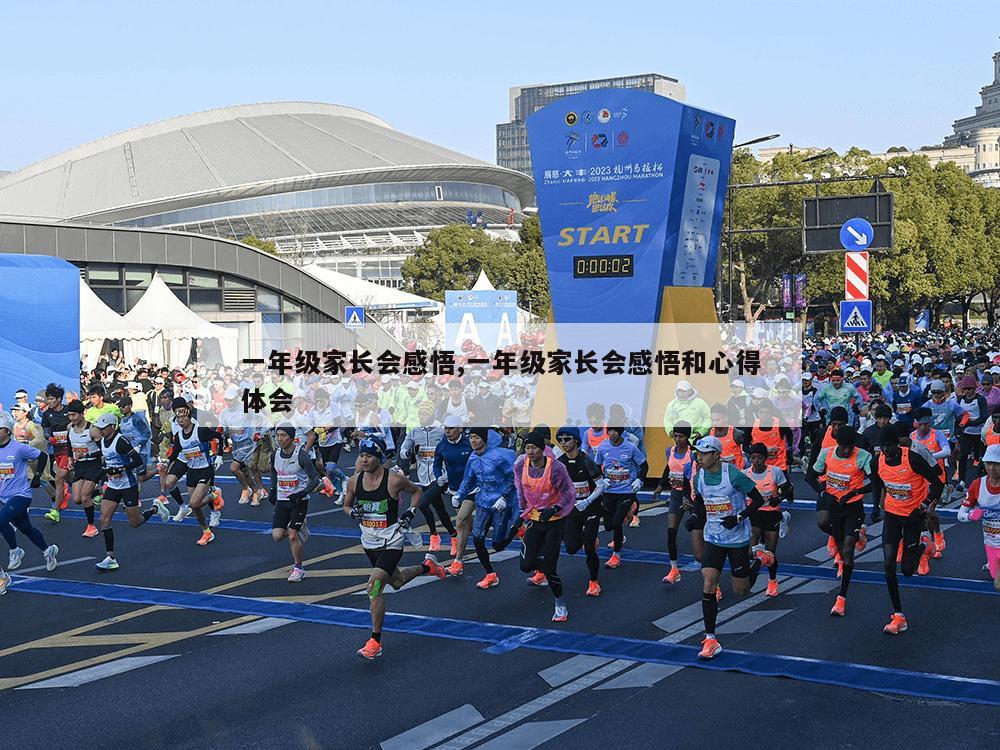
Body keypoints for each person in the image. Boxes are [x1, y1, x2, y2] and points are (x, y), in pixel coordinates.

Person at [343, 437, 445, 659]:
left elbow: (417, 491)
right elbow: (346, 504)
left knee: (374, 586)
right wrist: (352, 513)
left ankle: (375, 642)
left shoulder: (394, 480)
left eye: (369, 455)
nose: (364, 459)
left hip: (392, 540)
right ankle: (428, 567)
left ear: (379, 457)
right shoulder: (353, 481)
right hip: (369, 541)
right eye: (362, 455)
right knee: (397, 582)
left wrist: (410, 512)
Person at [690, 436, 770, 659]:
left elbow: (758, 500)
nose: (700, 457)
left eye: (705, 453)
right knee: (708, 582)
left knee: (740, 591)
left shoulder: (732, 474)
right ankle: (711, 639)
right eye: (699, 453)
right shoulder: (699, 477)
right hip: (713, 536)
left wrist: (739, 517)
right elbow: (700, 501)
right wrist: (696, 516)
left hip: (737, 538)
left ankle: (760, 560)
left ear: (716, 454)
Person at [873, 424, 944, 634]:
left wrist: (924, 507)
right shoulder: (879, 460)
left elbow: (938, 483)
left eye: (889, 446)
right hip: (893, 515)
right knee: (888, 563)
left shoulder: (912, 458)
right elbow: (879, 484)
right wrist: (877, 508)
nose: (885, 450)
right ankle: (898, 616)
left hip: (913, 516)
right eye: (882, 446)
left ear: (898, 443)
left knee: (907, 571)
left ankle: (924, 546)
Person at [92, 412, 170, 570]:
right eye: (99, 428)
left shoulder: (121, 441)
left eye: (104, 428)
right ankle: (110, 557)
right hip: (113, 486)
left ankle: (155, 509)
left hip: (128, 486)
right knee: (104, 519)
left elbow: (137, 461)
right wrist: (98, 479)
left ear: (112, 427)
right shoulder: (102, 442)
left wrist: (121, 468)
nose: (101, 431)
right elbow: (106, 463)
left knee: (135, 522)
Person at [513, 429, 576, 621]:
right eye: (527, 447)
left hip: (554, 522)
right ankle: (546, 567)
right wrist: (520, 513)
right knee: (526, 565)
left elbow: (569, 493)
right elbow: (520, 490)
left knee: (550, 568)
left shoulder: (556, 468)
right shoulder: (520, 466)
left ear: (542, 449)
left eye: (534, 448)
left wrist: (555, 508)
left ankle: (560, 603)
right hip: (533, 518)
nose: (530, 451)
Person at [811, 426, 872, 615]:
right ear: (837, 443)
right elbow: (813, 475)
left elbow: (876, 481)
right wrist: (823, 492)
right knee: (834, 536)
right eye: (844, 447)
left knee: (847, 551)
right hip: (834, 508)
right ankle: (857, 536)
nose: (847, 451)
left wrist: (856, 492)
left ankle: (841, 598)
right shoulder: (826, 454)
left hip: (853, 507)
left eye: (850, 447)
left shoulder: (863, 456)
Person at [452, 427, 517, 589]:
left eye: (477, 437)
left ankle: (517, 527)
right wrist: (459, 495)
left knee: (498, 544)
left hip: (501, 503)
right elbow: (468, 480)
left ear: (485, 439)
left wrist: (504, 497)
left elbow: (513, 476)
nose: (473, 441)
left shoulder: (499, 456)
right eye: (471, 437)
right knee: (478, 538)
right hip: (483, 502)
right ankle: (490, 574)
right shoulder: (473, 458)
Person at [0, 412, 59, 579]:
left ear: (7, 431)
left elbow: (42, 456)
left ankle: (15, 550)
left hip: (21, 495)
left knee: (1, 520)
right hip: (4, 497)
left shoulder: (18, 448)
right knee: (26, 528)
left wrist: (38, 476)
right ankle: (48, 551)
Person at [555, 425, 607, 596]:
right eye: (560, 440)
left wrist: (587, 501)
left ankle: (594, 582)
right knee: (570, 548)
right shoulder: (560, 463)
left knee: (590, 547)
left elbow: (600, 485)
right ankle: (585, 536)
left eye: (567, 439)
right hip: (572, 509)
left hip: (590, 508)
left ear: (576, 440)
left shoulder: (586, 461)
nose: (564, 443)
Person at [164, 398, 223, 544]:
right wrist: (167, 462)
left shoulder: (200, 430)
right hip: (191, 470)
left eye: (183, 417)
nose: (180, 420)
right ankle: (206, 532)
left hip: (205, 470)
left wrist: (219, 456)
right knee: (195, 507)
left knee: (195, 503)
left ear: (189, 417)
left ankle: (214, 495)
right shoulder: (178, 436)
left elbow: (219, 437)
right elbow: (176, 452)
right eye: (178, 418)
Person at [400, 402, 457, 552]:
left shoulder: (441, 430)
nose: (421, 417)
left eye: (424, 414)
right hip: (423, 475)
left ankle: (434, 534)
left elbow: (451, 445)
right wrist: (411, 451)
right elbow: (403, 451)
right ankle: (453, 535)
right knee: (439, 508)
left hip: (439, 475)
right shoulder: (414, 432)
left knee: (423, 504)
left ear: (431, 414)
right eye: (420, 414)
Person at [270, 424, 321, 581]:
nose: (280, 439)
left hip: (299, 500)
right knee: (277, 536)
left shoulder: (301, 455)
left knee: (292, 536)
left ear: (292, 438)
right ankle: (300, 527)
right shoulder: (275, 454)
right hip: (282, 499)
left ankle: (298, 568)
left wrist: (302, 493)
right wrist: (273, 490)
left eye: (284, 435)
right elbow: (273, 472)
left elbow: (315, 479)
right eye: (278, 435)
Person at [594, 425, 647, 568]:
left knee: (617, 523)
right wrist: (601, 480)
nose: (612, 434)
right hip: (609, 490)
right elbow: (596, 465)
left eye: (615, 431)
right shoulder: (603, 447)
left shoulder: (630, 447)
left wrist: (639, 480)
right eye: (609, 431)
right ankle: (627, 515)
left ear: (620, 432)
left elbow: (644, 465)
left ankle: (616, 556)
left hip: (626, 490)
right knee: (609, 525)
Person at [745, 441, 794, 596]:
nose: (756, 461)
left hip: (772, 513)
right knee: (750, 551)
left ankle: (772, 581)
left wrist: (778, 498)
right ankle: (756, 563)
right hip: (754, 513)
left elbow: (787, 489)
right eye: (753, 458)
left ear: (765, 458)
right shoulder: (745, 474)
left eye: (759, 457)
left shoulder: (775, 472)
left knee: (770, 554)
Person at [653, 423, 697, 584]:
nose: (677, 440)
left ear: (688, 437)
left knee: (698, 535)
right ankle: (674, 569)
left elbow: (692, 475)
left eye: (681, 436)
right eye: (675, 436)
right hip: (676, 494)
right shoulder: (669, 451)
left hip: (692, 496)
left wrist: (689, 496)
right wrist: (659, 485)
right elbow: (669, 467)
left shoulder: (693, 454)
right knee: (671, 531)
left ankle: (712, 576)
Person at [435, 416, 475, 576]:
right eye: (446, 428)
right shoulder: (442, 445)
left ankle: (458, 561)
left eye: (451, 428)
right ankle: (476, 533)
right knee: (466, 524)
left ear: (459, 428)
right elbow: (437, 462)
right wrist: (439, 476)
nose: (447, 431)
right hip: (454, 489)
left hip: (472, 488)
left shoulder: (469, 443)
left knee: (460, 522)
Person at [957, 443, 1000, 591]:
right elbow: (960, 515)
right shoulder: (977, 484)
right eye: (989, 463)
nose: (992, 468)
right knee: (996, 578)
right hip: (991, 540)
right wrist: (971, 515)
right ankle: (993, 563)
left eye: (996, 464)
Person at [909, 407, 951, 557]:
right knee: (924, 513)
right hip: (919, 481)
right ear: (916, 423)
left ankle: (936, 536)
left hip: (936, 479)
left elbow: (947, 451)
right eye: (920, 424)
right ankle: (932, 541)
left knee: (929, 512)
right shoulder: (912, 436)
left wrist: (929, 456)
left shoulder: (937, 434)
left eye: (926, 424)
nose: (923, 427)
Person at [66, 399, 103, 537]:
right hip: (79, 465)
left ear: (82, 414)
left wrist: (87, 454)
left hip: (93, 465)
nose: (72, 418)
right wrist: (70, 458)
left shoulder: (92, 430)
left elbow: (104, 450)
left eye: (74, 415)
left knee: (85, 497)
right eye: (69, 415)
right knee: (77, 499)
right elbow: (69, 444)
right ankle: (98, 492)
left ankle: (91, 526)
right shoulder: (70, 427)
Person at [41, 383, 72, 522]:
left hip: (70, 450)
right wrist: (50, 438)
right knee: (70, 479)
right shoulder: (47, 414)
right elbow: (46, 432)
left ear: (59, 399)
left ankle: (56, 511)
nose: (49, 401)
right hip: (57, 450)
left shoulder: (68, 410)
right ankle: (96, 491)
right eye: (47, 399)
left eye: (52, 399)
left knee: (59, 478)